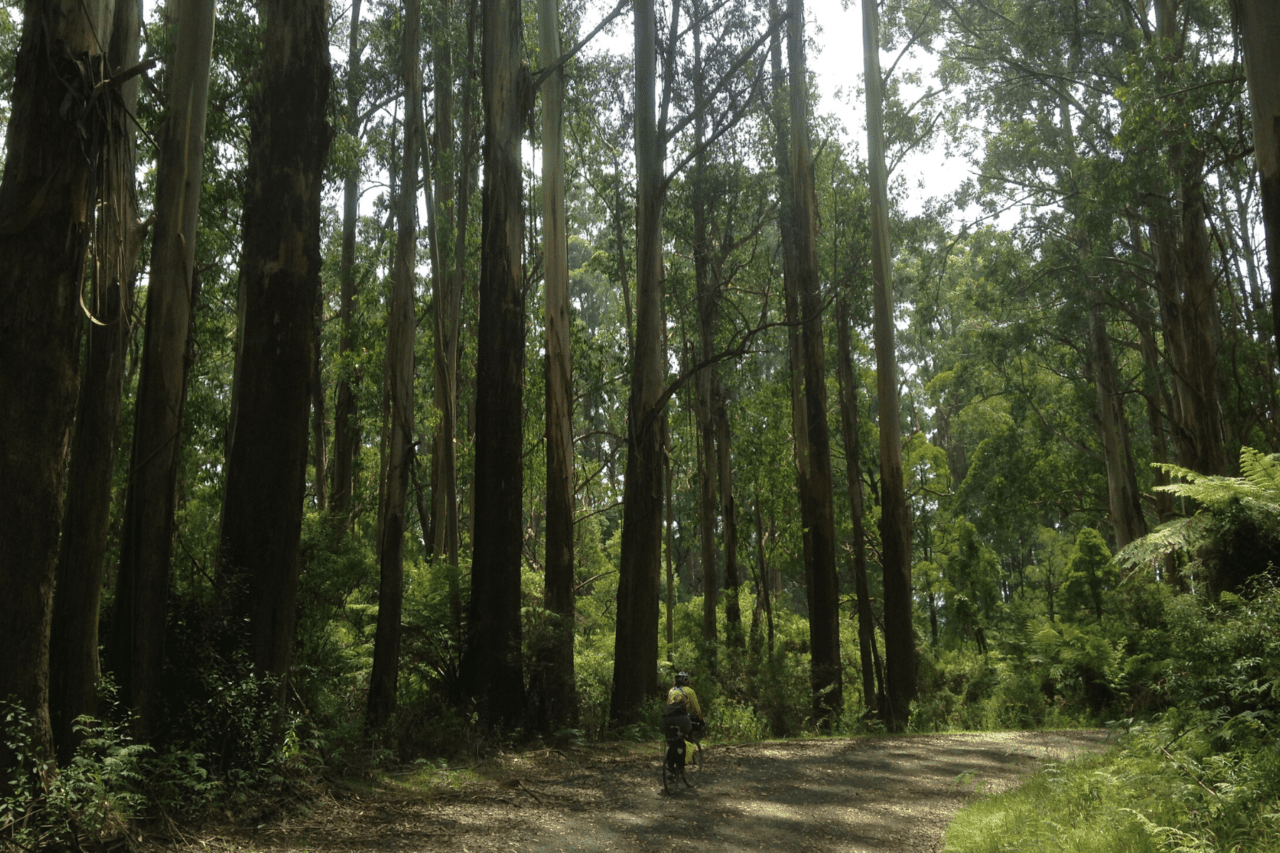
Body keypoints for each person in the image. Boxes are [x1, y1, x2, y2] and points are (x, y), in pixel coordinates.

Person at [662, 671, 705, 739]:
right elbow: (697, 709)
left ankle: (668, 748)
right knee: (689, 730)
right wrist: (701, 720)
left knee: (669, 738)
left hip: (667, 719)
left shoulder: (671, 690)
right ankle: (689, 746)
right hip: (682, 718)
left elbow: (668, 704)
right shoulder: (689, 691)